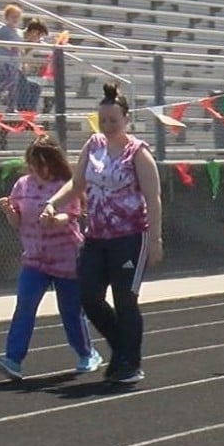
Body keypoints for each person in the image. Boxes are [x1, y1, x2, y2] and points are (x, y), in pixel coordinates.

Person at [42, 83, 163, 384]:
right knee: (89, 296)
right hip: (96, 236)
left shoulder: (138, 152)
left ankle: (129, 363)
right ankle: (122, 348)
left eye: (113, 120)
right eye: (103, 120)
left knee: (125, 301)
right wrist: (52, 203)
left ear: (126, 120)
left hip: (130, 236)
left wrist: (156, 239)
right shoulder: (93, 145)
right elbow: (77, 183)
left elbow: (153, 197)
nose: (108, 126)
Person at [0, 135, 101, 380]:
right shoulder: (22, 185)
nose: (38, 170)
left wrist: (54, 220)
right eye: (33, 164)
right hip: (34, 259)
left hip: (66, 259)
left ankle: (86, 353)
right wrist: (9, 211)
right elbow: (17, 222)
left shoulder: (65, 184)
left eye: (42, 164)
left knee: (70, 311)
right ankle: (13, 358)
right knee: (25, 305)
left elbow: (70, 216)